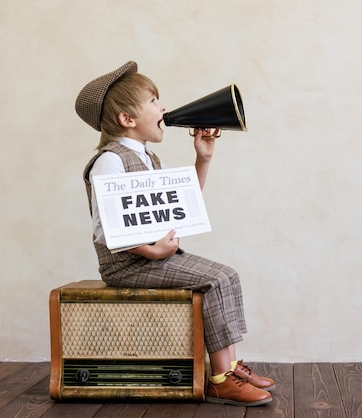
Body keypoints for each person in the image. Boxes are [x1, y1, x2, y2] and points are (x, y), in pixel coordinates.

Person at [75, 61, 273, 407]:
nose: (162, 107)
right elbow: (105, 229)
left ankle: (231, 368)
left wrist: (203, 159)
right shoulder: (110, 161)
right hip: (127, 265)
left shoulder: (150, 158)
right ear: (127, 119)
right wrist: (150, 251)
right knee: (218, 279)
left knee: (226, 276)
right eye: (154, 101)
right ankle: (221, 380)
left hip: (155, 259)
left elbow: (183, 203)